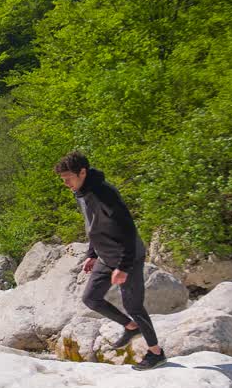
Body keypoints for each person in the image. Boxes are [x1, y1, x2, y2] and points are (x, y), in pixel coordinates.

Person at [55, 150, 166, 370]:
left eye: (68, 178)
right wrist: (92, 254)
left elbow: (127, 229)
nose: (66, 183)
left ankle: (156, 352)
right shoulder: (81, 192)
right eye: (63, 179)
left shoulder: (104, 194)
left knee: (133, 306)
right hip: (106, 256)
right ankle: (130, 327)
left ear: (83, 172)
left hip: (128, 257)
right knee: (91, 298)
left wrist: (123, 266)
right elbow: (95, 227)